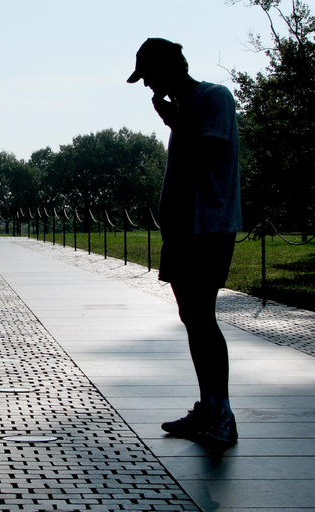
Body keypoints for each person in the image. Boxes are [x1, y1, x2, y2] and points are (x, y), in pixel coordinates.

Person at [127, 38, 243, 452]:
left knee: (203, 317)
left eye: (150, 76)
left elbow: (208, 152)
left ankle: (223, 415)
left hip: (207, 228)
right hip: (182, 231)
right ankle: (209, 406)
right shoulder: (185, 108)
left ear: (172, 67)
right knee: (191, 317)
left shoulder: (214, 98)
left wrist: (175, 121)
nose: (147, 86)